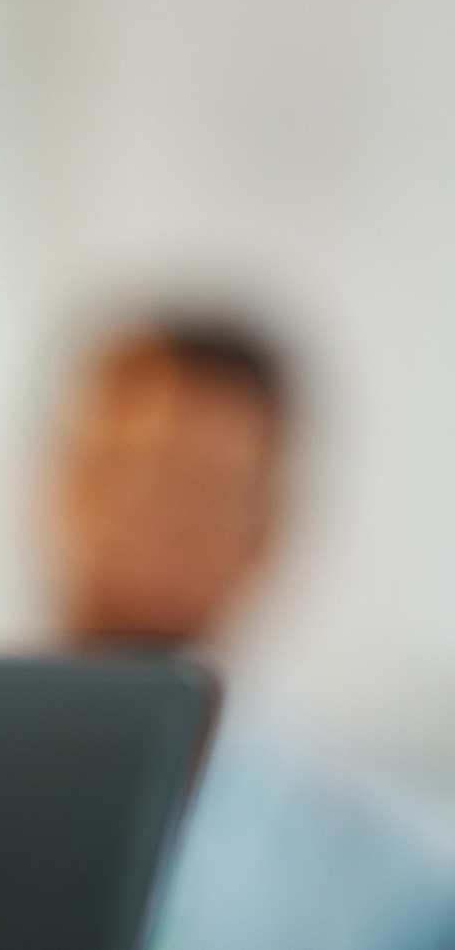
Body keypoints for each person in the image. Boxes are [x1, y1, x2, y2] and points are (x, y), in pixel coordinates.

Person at [47, 321, 455, 950]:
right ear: (63, 484)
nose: (159, 523)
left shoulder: (393, 881)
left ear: (265, 533)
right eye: (133, 475)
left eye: (206, 492)